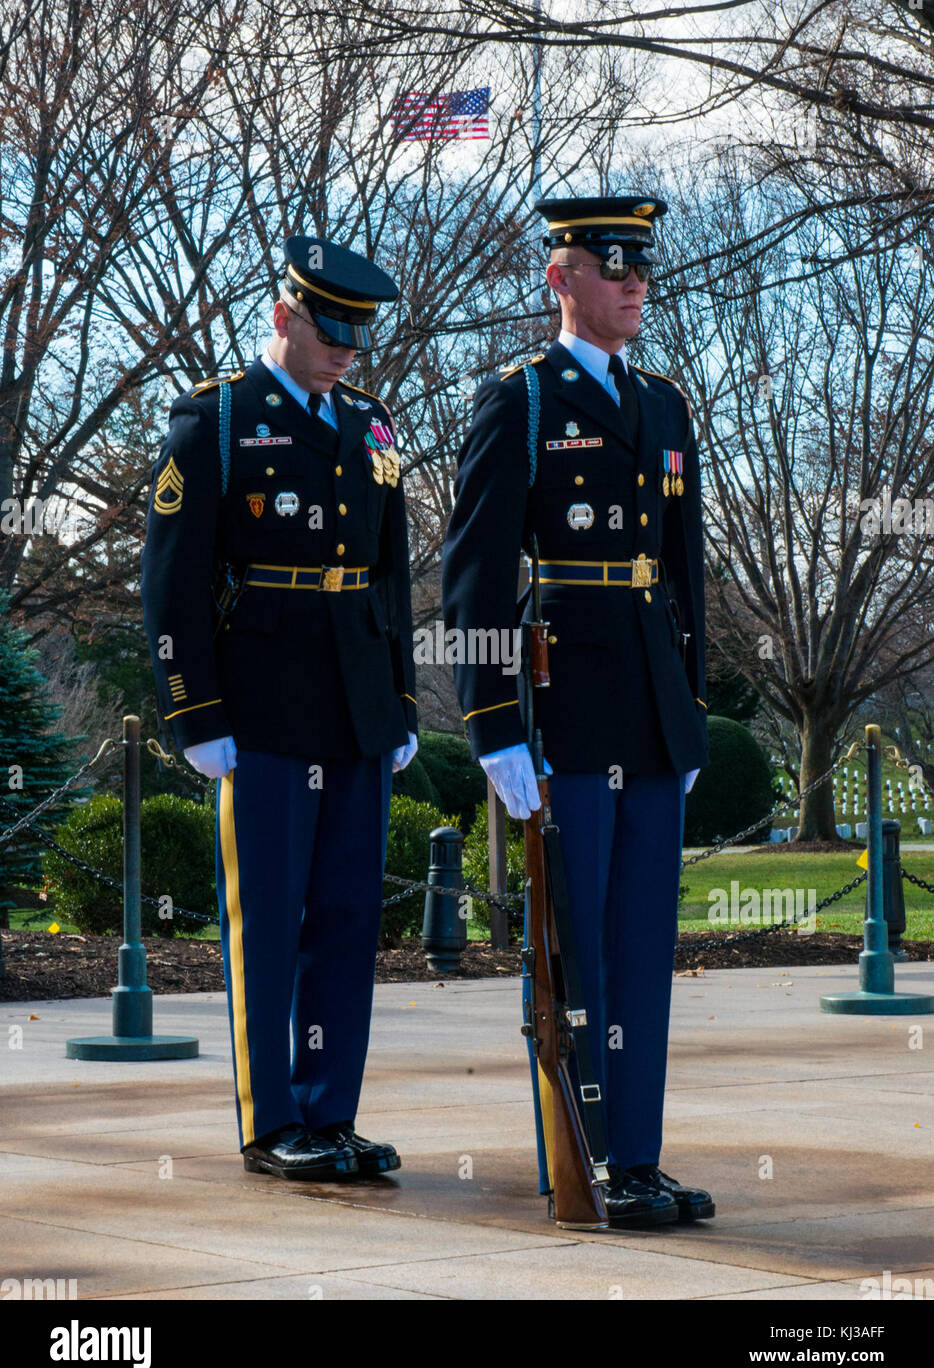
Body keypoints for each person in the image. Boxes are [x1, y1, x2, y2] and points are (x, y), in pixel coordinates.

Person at [442, 196, 715, 1228]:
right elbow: (471, 575)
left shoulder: (664, 402)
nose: (633, 282)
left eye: (640, 265)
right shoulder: (517, 400)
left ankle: (636, 1156)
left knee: (644, 944)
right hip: (562, 704)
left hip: (648, 705)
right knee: (576, 950)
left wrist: (688, 706)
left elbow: (684, 568)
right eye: (611, 266)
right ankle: (586, 1157)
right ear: (560, 279)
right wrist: (492, 725)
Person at [141, 236, 418, 1182]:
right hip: (258, 706)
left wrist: (404, 700)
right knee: (269, 915)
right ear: (283, 316)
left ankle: (329, 1112)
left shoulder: (372, 426)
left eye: (357, 335)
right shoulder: (217, 423)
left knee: (346, 916)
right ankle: (272, 1124)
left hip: (357, 704)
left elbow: (393, 579)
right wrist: (196, 713)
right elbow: (171, 587)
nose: (345, 348)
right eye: (329, 328)